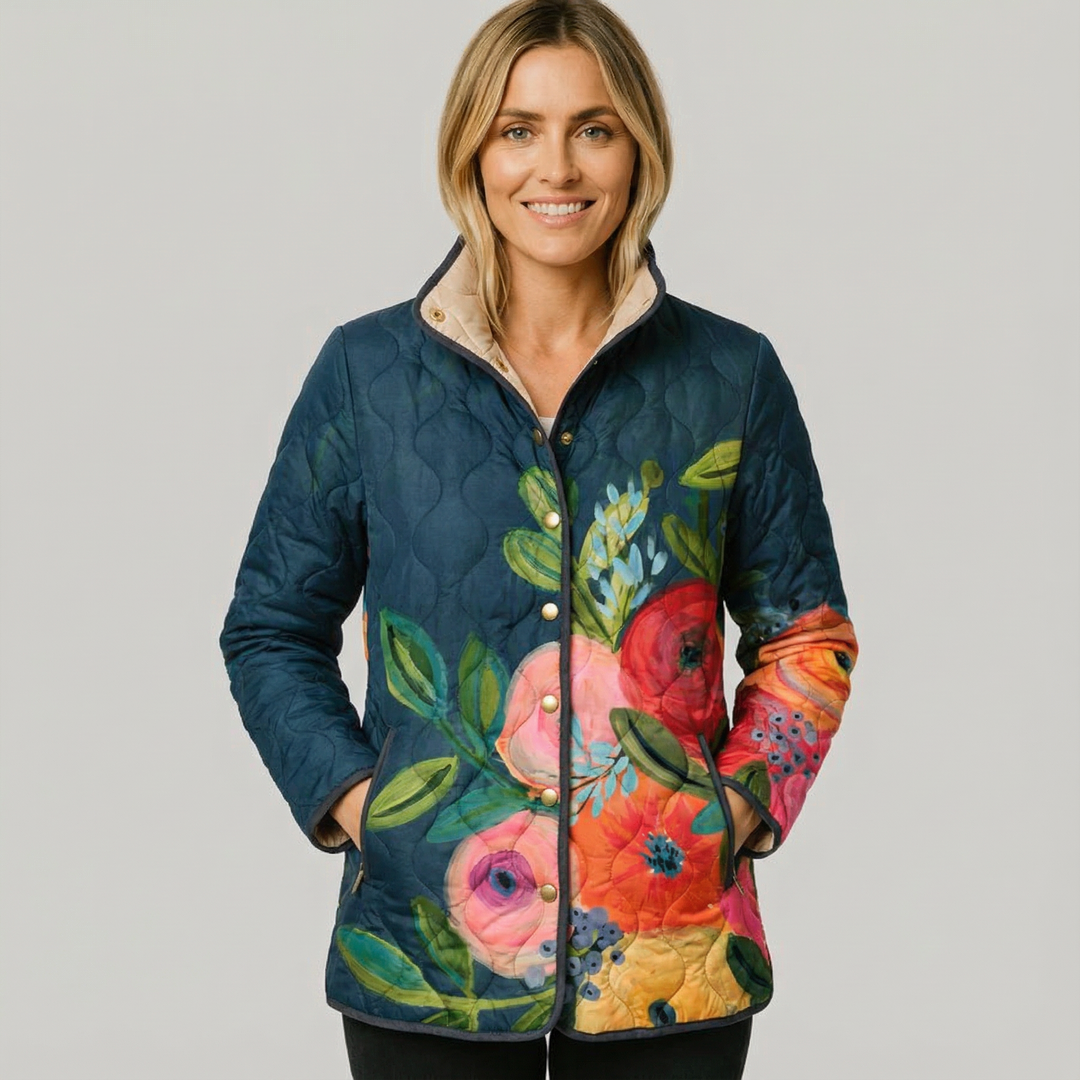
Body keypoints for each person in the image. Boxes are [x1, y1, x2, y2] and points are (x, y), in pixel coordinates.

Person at [219, 1, 859, 1077]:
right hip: (430, 953)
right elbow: (271, 628)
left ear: (639, 148)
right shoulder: (366, 377)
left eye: (592, 129)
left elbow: (809, 635)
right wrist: (370, 811)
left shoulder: (730, 376)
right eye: (519, 129)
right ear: (471, 149)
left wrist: (741, 807)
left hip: (673, 956)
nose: (555, 167)